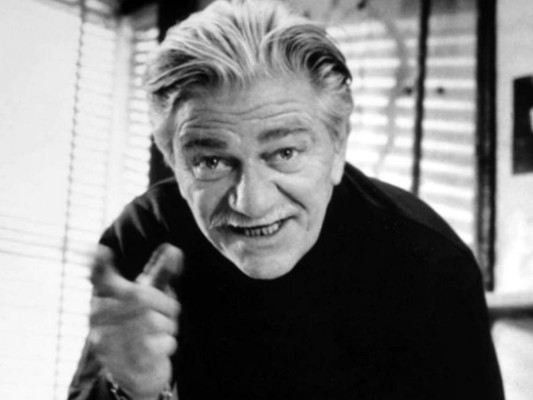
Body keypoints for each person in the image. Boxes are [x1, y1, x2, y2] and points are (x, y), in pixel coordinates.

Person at [68, 0, 505, 399]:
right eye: (212, 161)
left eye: (285, 153)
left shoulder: (429, 266)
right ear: (174, 163)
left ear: (338, 146)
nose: (251, 203)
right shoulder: (146, 239)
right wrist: (131, 389)